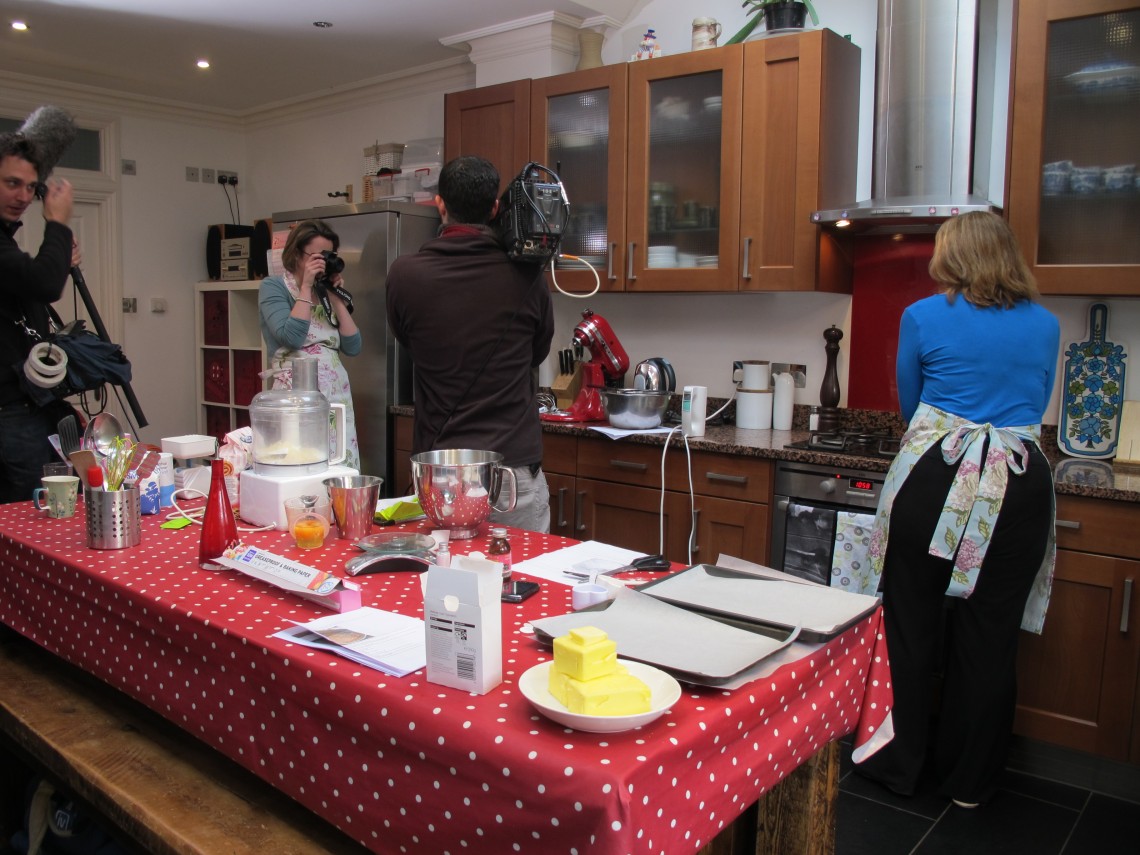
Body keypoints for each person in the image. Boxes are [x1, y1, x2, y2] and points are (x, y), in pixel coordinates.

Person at [857, 211, 1061, 808]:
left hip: (939, 473)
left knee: (910, 623)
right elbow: (1034, 403)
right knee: (991, 632)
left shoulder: (923, 316)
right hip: (1018, 481)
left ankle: (898, 765)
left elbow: (913, 408)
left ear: (952, 256)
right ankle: (969, 783)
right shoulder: (1047, 324)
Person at [386, 155, 555, 532]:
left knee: (442, 571)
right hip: (510, 474)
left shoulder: (404, 275)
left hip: (441, 475)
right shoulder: (528, 275)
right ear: (494, 208)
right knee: (521, 570)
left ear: (440, 204)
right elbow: (537, 353)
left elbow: (409, 341)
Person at [0, 131, 81, 503]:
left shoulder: (7, 240)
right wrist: (58, 224)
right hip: (10, 412)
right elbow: (45, 285)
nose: (23, 196)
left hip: (26, 405)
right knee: (23, 518)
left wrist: (58, 260)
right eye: (12, 183)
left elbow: (31, 292)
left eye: (30, 187)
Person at [258, 219, 361, 470]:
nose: (323, 263)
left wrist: (336, 299)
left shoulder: (325, 292)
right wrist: (305, 286)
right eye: (316, 256)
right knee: (301, 464)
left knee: (339, 467)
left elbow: (353, 346)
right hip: (296, 398)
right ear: (296, 255)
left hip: (336, 398)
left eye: (328, 256)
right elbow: (291, 338)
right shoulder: (274, 287)